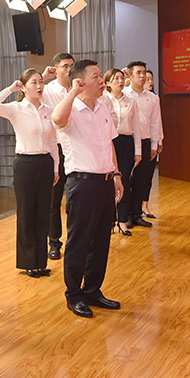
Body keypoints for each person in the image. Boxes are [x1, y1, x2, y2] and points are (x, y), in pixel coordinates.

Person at [51, 60, 125, 318]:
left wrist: (117, 175)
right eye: (96, 76)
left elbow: (110, 144)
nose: (102, 81)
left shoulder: (102, 107)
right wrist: (73, 91)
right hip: (82, 185)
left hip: (105, 182)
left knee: (101, 241)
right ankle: (73, 294)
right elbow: (57, 119)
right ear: (80, 81)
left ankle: (93, 290)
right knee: (79, 242)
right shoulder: (70, 108)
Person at [0, 68, 59, 278]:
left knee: (43, 213)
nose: (39, 86)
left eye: (41, 82)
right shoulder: (16, 108)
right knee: (26, 213)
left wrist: (55, 167)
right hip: (25, 164)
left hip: (45, 163)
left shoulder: (48, 110)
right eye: (34, 82)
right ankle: (28, 263)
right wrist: (11, 88)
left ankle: (40, 262)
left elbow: (53, 142)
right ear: (24, 87)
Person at [41, 52, 75, 260]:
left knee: (74, 200)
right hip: (56, 149)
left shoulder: (79, 89)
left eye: (72, 65)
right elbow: (25, 91)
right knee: (54, 201)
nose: (69, 69)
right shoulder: (47, 90)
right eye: (65, 66)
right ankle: (54, 242)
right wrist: (43, 77)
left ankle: (75, 241)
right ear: (55, 69)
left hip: (76, 149)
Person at [103, 68, 141, 236]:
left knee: (124, 181)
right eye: (115, 78)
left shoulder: (131, 101)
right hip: (109, 142)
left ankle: (123, 220)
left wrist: (138, 150)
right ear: (108, 83)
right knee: (108, 182)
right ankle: (109, 221)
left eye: (121, 78)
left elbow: (137, 127)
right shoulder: (103, 100)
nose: (120, 81)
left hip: (126, 142)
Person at [126, 61, 164, 225]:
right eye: (138, 73)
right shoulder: (124, 94)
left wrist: (154, 145)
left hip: (145, 142)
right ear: (130, 75)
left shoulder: (153, 98)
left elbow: (156, 123)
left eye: (144, 72)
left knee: (141, 181)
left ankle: (137, 215)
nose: (142, 76)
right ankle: (125, 216)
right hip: (128, 142)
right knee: (127, 181)